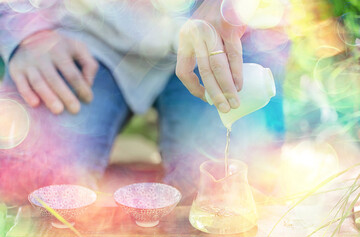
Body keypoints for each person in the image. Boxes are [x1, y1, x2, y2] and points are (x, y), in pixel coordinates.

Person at [0, 0, 288, 205]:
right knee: (33, 192)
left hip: (217, 31)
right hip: (78, 29)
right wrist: (23, 30)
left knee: (233, 195)